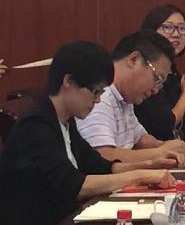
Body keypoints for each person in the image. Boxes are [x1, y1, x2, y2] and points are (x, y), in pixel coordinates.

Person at [0, 41, 175, 225]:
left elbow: (102, 166)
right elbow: (77, 186)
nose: (97, 101)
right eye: (95, 92)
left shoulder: (66, 121)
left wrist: (151, 165)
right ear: (68, 81)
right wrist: (141, 176)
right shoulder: (35, 125)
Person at [76, 30, 185, 166]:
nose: (155, 90)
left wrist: (166, 146)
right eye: (157, 78)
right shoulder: (100, 96)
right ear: (134, 60)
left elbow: (140, 139)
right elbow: (102, 155)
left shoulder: (125, 98)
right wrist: (160, 153)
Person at [134, 4, 185, 140]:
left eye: (182, 28)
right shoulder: (147, 70)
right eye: (168, 27)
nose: (176, 34)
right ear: (151, 31)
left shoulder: (171, 70)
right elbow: (166, 124)